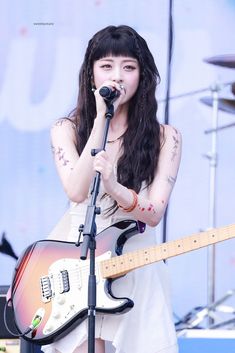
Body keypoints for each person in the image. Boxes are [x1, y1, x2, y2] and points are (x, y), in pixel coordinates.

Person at [44, 25, 182, 353]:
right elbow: (76, 192)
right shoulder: (65, 129)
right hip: (77, 261)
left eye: (128, 67)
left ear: (142, 76)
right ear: (91, 75)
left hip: (134, 259)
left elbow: (155, 213)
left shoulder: (166, 137)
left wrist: (115, 187)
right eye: (106, 66)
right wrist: (100, 120)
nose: (117, 76)